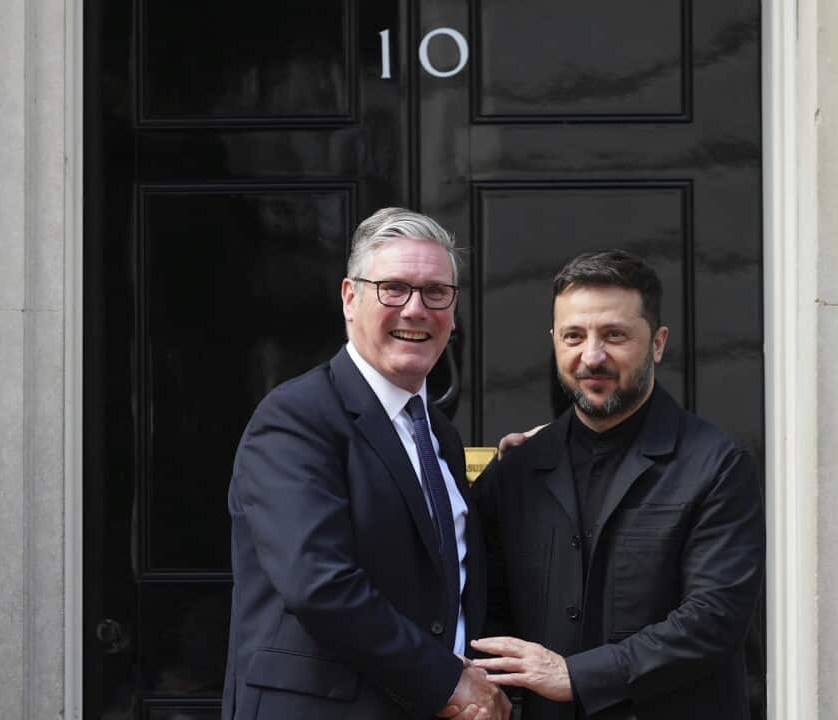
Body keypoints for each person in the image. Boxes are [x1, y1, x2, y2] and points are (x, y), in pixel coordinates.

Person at [221, 208, 510, 720]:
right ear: (350, 298)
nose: (416, 309)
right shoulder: (296, 419)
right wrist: (446, 682)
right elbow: (320, 584)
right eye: (393, 288)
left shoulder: (436, 430)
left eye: (436, 292)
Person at [470, 250, 764, 720]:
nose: (592, 356)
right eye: (573, 336)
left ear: (658, 343)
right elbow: (477, 599)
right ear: (554, 342)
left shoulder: (718, 465)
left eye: (614, 335)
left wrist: (577, 676)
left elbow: (714, 619)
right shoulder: (516, 470)